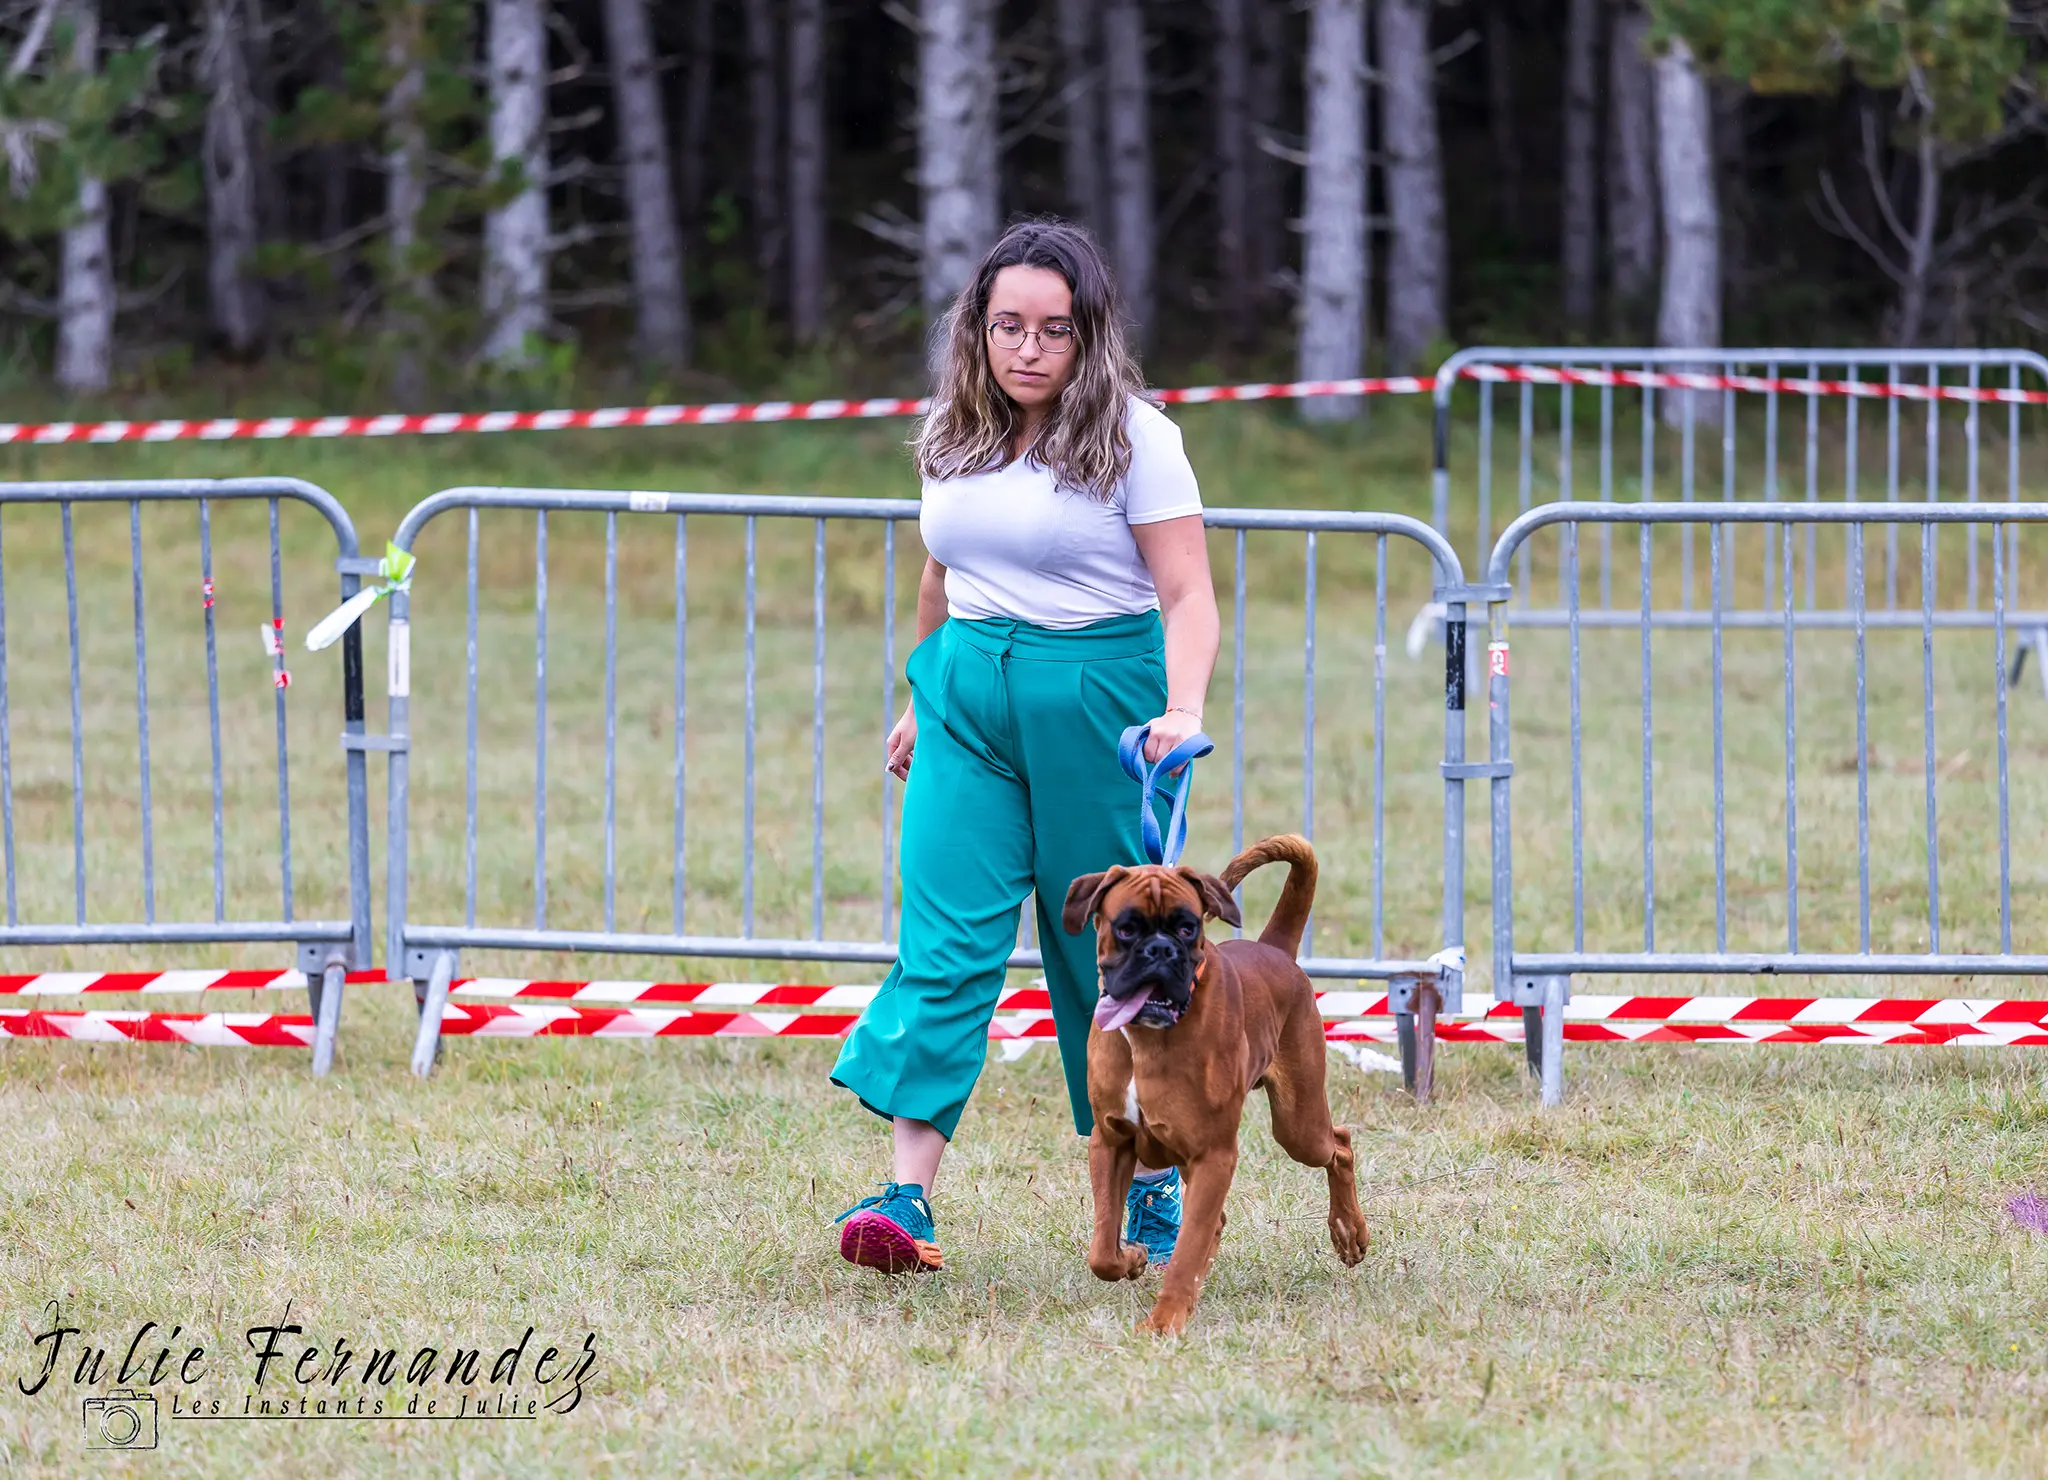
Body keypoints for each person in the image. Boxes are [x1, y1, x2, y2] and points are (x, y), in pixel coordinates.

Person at [830, 219, 1220, 1274]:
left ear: (1088, 335)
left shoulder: (1139, 435)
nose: (1028, 348)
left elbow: (1186, 594)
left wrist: (1180, 708)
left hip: (1099, 696)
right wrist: (923, 683)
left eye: (1053, 328)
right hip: (967, 694)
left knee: (1099, 954)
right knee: (945, 943)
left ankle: (1143, 1184)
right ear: (978, 328)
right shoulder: (952, 428)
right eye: (1008, 325)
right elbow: (937, 571)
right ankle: (904, 1200)